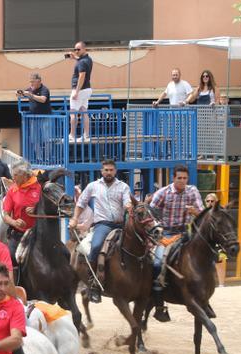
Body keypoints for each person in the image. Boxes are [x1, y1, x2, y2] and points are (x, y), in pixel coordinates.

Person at [69, 159, 132, 303]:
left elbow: (127, 201)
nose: (108, 172)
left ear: (115, 171)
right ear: (101, 171)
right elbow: (81, 202)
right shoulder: (93, 186)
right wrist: (74, 218)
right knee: (96, 246)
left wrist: (128, 205)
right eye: (106, 170)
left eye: (111, 170)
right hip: (102, 225)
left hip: (121, 224)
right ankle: (93, 284)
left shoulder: (123, 187)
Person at [150, 164, 203, 320]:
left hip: (185, 233)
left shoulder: (192, 191)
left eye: (184, 178)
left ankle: (204, 298)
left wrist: (195, 212)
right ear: (173, 178)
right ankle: (159, 305)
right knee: (157, 264)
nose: (182, 181)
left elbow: (203, 212)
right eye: (179, 178)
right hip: (165, 233)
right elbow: (150, 213)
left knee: (204, 257)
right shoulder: (163, 193)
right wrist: (158, 229)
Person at [2, 162, 41, 265]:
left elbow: (49, 208)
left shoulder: (39, 187)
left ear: (25, 174)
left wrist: (36, 209)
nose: (12, 178)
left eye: (15, 175)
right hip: (18, 234)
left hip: (38, 233)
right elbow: (5, 215)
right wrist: (14, 223)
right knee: (10, 256)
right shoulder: (12, 190)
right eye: (12, 174)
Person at [66, 41, 93, 142]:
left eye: (78, 49)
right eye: (75, 49)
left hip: (80, 90)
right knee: (84, 111)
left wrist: (76, 91)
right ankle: (86, 136)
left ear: (84, 49)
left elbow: (82, 76)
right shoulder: (87, 59)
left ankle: (72, 136)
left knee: (73, 112)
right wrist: (75, 58)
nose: (76, 51)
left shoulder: (82, 62)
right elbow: (82, 62)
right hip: (87, 89)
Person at [204, 193, 227, 287]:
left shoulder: (221, 213)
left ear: (216, 202)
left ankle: (221, 284)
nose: (210, 203)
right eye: (208, 201)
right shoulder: (202, 212)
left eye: (212, 201)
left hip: (218, 242)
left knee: (220, 262)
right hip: (205, 242)